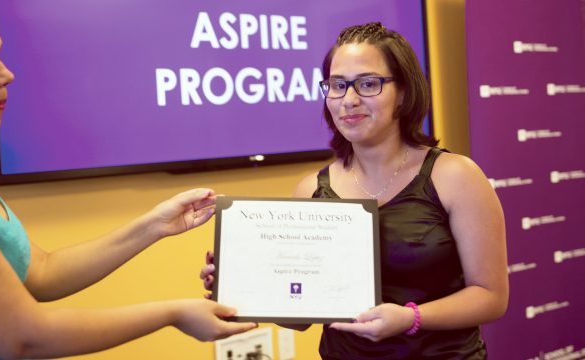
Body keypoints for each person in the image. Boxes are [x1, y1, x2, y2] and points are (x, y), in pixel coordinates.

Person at [0, 1, 256, 359]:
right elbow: (26, 337)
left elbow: (40, 273)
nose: (6, 74)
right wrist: (173, 313)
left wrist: (154, 225)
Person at [201, 22, 508, 359]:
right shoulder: (311, 191)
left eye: (368, 84)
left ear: (403, 92)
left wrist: (410, 318)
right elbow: (301, 316)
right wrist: (238, 281)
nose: (349, 100)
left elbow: (491, 296)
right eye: (337, 85)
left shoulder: (455, 176)